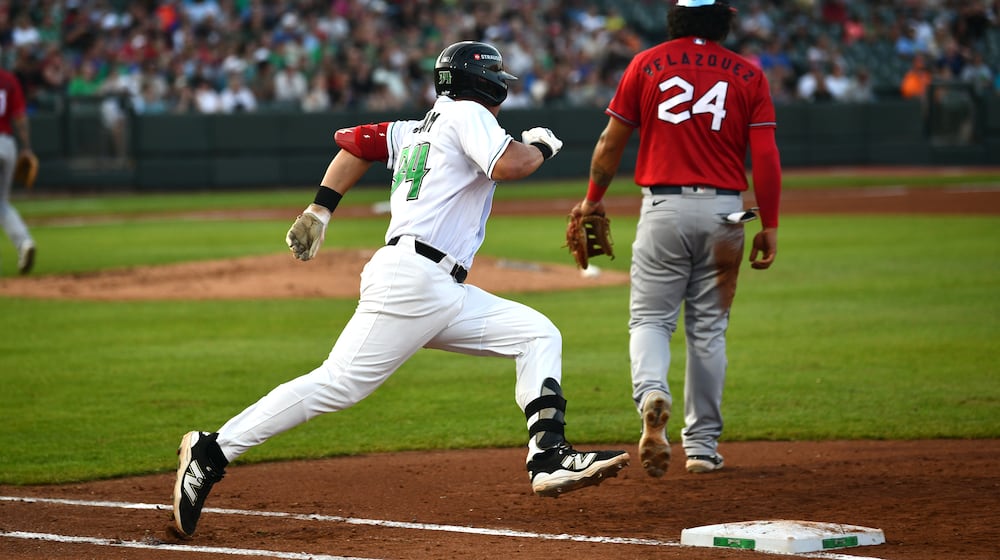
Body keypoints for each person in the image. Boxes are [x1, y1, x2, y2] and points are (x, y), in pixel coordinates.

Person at [172, 40, 630, 538]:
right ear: (483, 82)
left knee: (537, 334)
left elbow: (357, 145)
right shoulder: (467, 114)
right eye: (499, 78)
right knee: (338, 384)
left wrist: (320, 209)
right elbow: (510, 165)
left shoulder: (418, 127)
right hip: (415, 279)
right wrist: (541, 143)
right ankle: (212, 450)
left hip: (438, 286)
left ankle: (548, 454)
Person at [569, 0, 781, 479]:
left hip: (663, 208)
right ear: (724, 19)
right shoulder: (748, 74)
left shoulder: (646, 64)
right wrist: (769, 222)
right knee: (708, 331)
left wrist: (592, 198)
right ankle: (703, 447)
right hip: (726, 211)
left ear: (676, 18)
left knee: (650, 318)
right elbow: (765, 155)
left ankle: (650, 394)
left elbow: (610, 141)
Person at [0, 67, 37, 275]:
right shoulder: (9, 80)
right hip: (7, 145)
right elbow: (20, 116)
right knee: (1, 203)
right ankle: (24, 242)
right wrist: (27, 146)